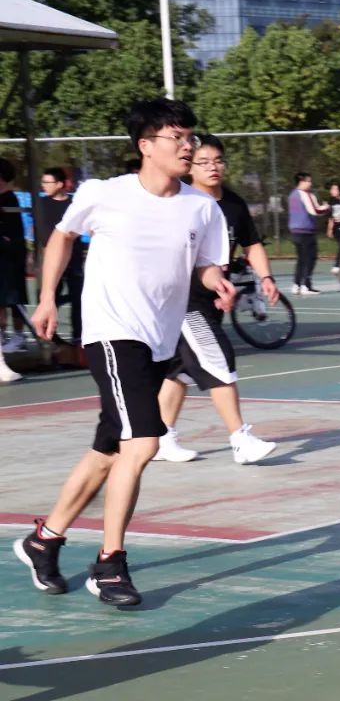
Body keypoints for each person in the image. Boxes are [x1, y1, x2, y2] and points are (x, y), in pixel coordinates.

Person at [14, 98, 233, 607]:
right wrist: (45, 299)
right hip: (113, 332)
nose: (188, 146)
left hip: (160, 338)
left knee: (109, 451)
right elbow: (61, 238)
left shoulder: (202, 207)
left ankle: (44, 539)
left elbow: (203, 264)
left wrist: (216, 281)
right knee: (144, 443)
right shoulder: (104, 193)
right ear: (145, 146)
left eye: (191, 137)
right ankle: (110, 565)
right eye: (177, 138)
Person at [153, 134, 279, 465]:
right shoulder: (180, 202)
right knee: (218, 358)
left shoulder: (233, 204)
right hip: (183, 302)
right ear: (190, 166)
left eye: (218, 161)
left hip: (212, 300)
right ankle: (240, 439)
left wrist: (266, 278)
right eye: (204, 162)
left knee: (181, 371)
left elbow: (252, 244)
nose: (213, 167)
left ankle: (160, 438)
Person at [38, 167, 86, 342]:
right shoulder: (40, 204)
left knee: (78, 297)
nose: (44, 185)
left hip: (73, 258)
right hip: (50, 260)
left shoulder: (73, 204)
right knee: (50, 296)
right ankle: (50, 336)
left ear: (59, 184)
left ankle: (78, 336)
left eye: (48, 182)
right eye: (43, 182)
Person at [0, 158, 30, 352]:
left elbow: (12, 235)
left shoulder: (10, 199)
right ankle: (2, 334)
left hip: (11, 257)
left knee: (14, 297)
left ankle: (19, 336)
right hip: (4, 254)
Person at [288, 172, 327, 295]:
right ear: (302, 181)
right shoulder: (306, 194)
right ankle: (306, 285)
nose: (310, 183)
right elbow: (315, 210)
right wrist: (327, 207)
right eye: (308, 181)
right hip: (306, 231)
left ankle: (296, 285)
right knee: (310, 258)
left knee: (301, 259)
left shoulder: (292, 194)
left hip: (295, 232)